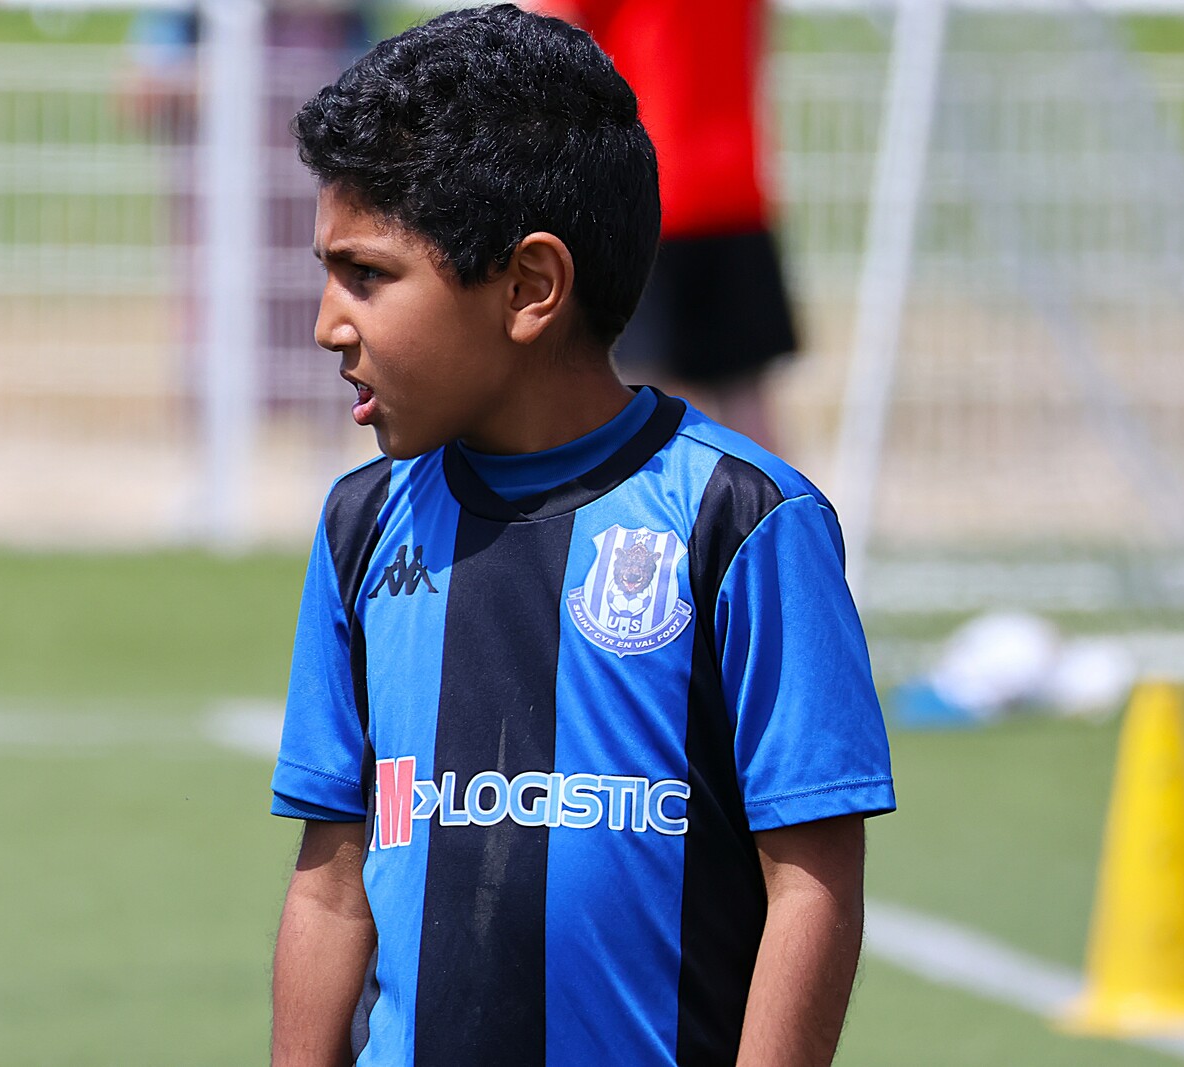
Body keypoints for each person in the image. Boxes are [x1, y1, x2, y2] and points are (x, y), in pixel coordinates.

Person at [269, 7, 894, 1066]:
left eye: (366, 275)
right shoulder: (362, 526)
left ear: (530, 288)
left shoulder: (740, 522)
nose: (329, 321)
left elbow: (812, 884)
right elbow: (330, 886)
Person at [542, 0, 799, 450]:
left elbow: (548, 39)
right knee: (746, 399)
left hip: (646, 191)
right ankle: (770, 500)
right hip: (736, 183)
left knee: (645, 399)